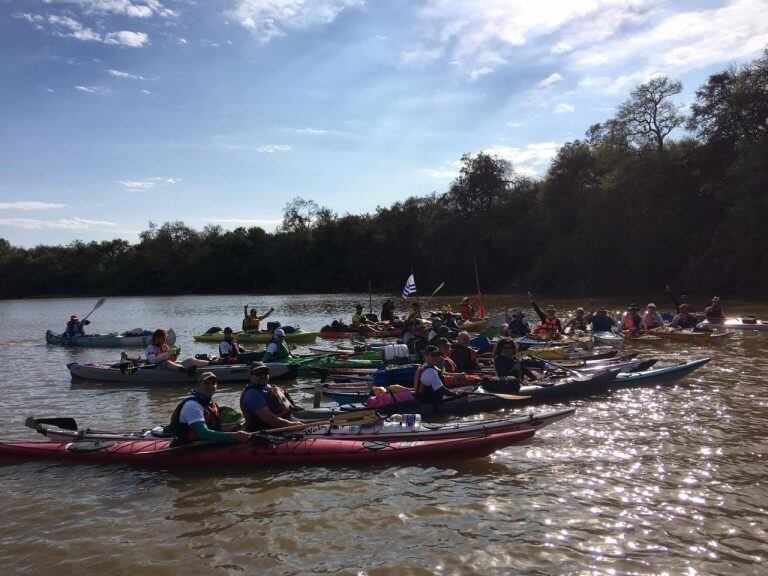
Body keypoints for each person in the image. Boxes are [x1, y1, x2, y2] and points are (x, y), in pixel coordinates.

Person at [167, 372, 252, 446]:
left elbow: (215, 425)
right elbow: (204, 434)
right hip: (188, 446)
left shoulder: (210, 404)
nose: (210, 386)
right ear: (198, 385)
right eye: (206, 383)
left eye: (213, 383)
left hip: (204, 443)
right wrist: (235, 436)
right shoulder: (192, 406)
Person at [239, 362, 299, 431]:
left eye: (265, 372)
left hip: (286, 419)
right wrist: (291, 425)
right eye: (258, 373)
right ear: (250, 377)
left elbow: (289, 405)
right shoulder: (252, 394)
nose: (263, 376)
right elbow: (270, 419)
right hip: (267, 429)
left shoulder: (269, 387)